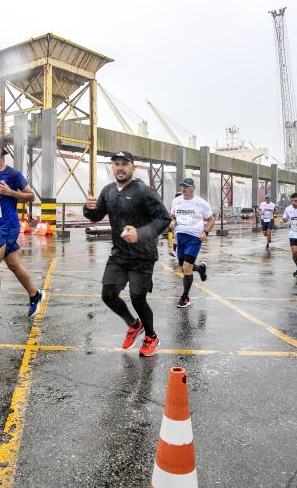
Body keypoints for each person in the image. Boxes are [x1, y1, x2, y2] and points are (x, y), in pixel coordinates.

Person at [84, 151, 171, 357]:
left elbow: (163, 219)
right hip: (119, 254)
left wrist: (140, 234)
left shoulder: (144, 191)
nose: (120, 167)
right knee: (108, 294)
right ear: (112, 167)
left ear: (133, 167)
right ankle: (133, 324)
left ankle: (151, 336)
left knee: (137, 298)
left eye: (125, 164)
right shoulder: (108, 191)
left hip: (143, 255)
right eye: (116, 164)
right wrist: (88, 209)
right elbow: (96, 216)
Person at [0, 137, 45, 327]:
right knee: (14, 265)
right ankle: (35, 294)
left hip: (9, 224)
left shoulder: (13, 174)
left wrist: (11, 193)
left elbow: (31, 196)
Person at [169, 178, 215, 308]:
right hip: (180, 237)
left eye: (187, 186)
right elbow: (172, 216)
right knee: (183, 265)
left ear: (193, 188)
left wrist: (205, 232)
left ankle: (185, 298)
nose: (183, 188)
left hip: (194, 237)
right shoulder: (176, 201)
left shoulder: (201, 203)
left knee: (187, 267)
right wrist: (172, 222)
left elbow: (211, 220)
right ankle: (200, 268)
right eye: (182, 186)